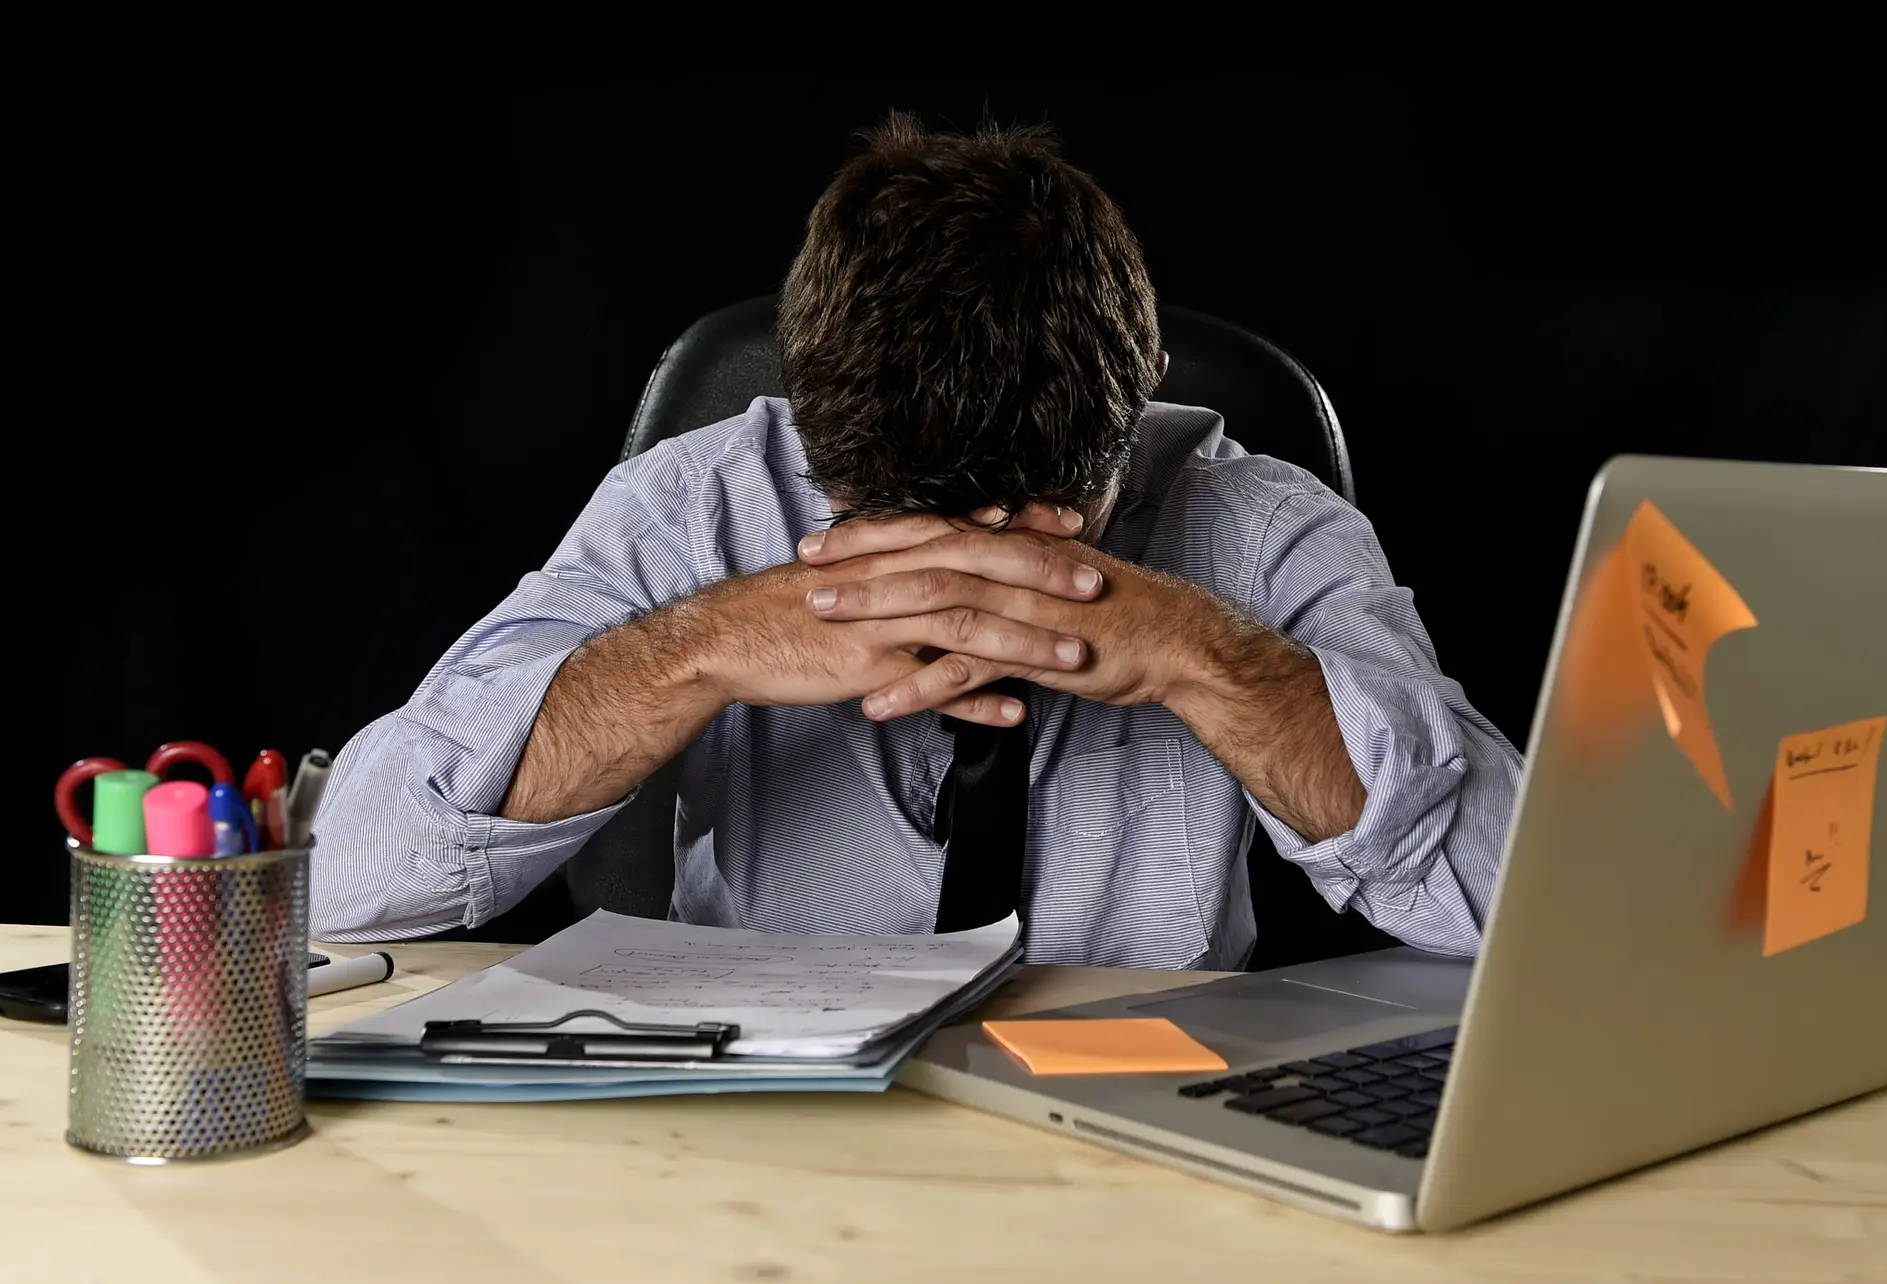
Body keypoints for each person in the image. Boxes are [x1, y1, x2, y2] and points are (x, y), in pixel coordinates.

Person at [312, 113, 1522, 969]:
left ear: (1144, 392)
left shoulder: (1265, 527)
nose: (971, 585)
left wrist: (1206, 656)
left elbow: (1534, 912)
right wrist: (696, 652)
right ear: (807, 423)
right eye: (893, 525)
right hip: (754, 1108)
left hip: (1135, 1117)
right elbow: (345, 880)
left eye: (1045, 523)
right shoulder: (696, 500)